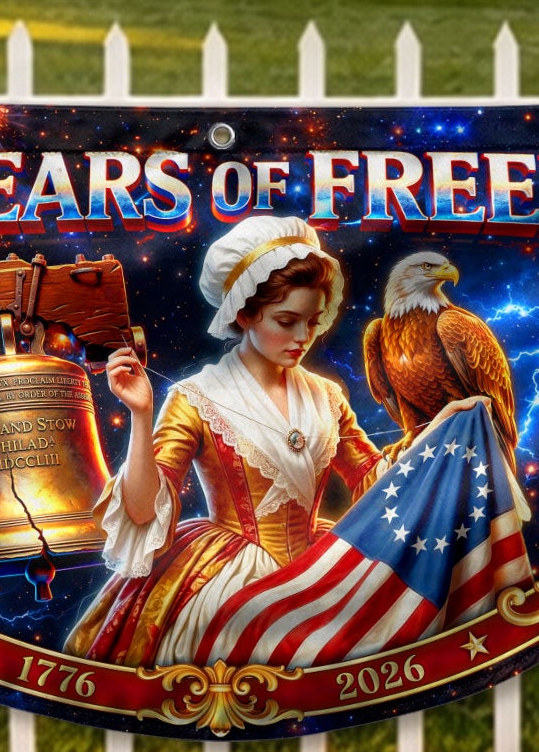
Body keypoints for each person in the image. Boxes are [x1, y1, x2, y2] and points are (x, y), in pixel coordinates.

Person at [67, 215, 384, 668]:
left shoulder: (327, 395)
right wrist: (139, 414)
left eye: (312, 322)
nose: (301, 338)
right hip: (226, 580)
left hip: (317, 565)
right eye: (286, 320)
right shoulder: (196, 398)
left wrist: (437, 438)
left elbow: (375, 483)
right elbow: (141, 510)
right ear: (243, 313)